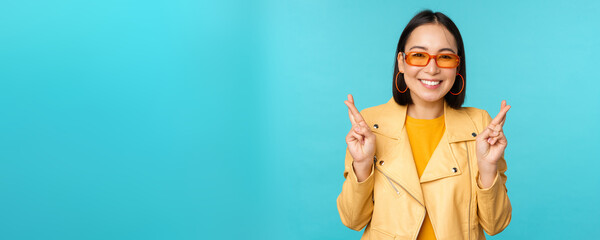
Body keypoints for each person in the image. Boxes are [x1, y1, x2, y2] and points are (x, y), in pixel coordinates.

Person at [336, 10, 512, 240]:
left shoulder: (480, 125)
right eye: (418, 55)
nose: (432, 69)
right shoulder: (370, 125)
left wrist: (488, 169)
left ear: (457, 66)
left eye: (445, 57)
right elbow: (352, 220)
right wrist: (362, 165)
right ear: (401, 62)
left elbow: (495, 224)